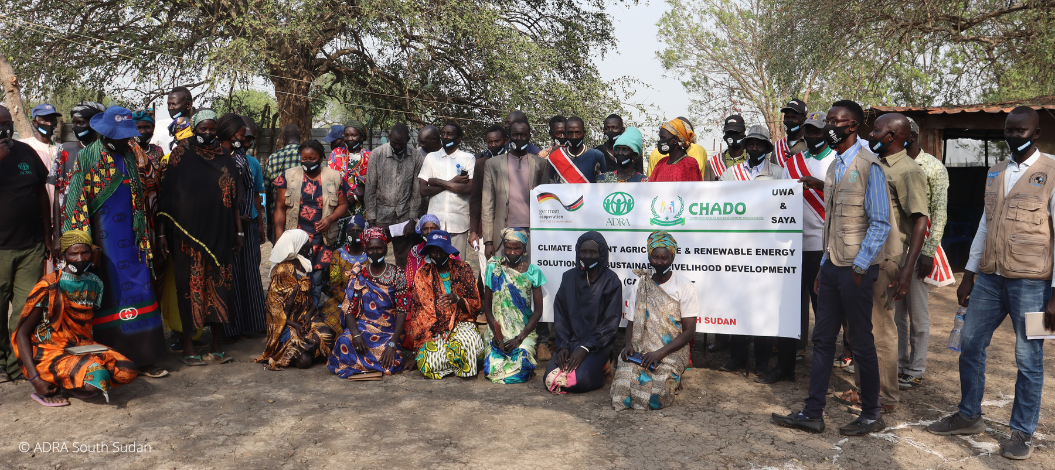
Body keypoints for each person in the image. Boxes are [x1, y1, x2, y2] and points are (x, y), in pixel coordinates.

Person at [926, 106, 1052, 460]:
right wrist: (969, 274)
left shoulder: (1053, 170)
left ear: (1036, 133)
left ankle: (1022, 432)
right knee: (969, 343)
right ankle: (969, 415)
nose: (1014, 135)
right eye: (1009, 129)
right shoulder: (996, 172)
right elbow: (985, 224)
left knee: (1030, 358)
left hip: (1036, 286)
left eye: (1022, 130)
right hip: (990, 281)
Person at [771, 100, 891, 436]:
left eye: (837, 122)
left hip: (857, 269)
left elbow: (881, 223)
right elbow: (831, 225)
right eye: (829, 122)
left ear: (853, 126)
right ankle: (813, 412)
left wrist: (860, 266)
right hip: (833, 265)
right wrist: (824, 265)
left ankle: (871, 413)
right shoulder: (835, 167)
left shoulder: (871, 165)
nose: (830, 128)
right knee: (821, 339)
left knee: (861, 341)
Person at [834, 112, 929, 415]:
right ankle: (865, 391)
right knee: (863, 330)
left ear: (892, 136)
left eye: (876, 131)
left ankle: (885, 396)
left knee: (881, 330)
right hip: (865, 257)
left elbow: (919, 221)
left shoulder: (907, 170)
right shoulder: (872, 164)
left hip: (887, 259)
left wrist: (906, 269)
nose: (870, 135)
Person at [64, 105, 168, 378]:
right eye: (121, 135)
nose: (126, 139)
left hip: (134, 240)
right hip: (104, 242)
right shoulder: (87, 157)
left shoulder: (131, 155)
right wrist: (82, 245)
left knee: (142, 290)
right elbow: (75, 202)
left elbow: (141, 199)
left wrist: (148, 234)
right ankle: (115, 359)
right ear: (106, 132)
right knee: (109, 296)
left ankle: (145, 358)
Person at [156, 109, 244, 365]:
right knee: (189, 290)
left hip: (221, 233)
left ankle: (216, 346)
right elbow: (168, 197)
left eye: (211, 129)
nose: (207, 134)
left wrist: (238, 231)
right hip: (187, 237)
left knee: (220, 289)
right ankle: (188, 347)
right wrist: (162, 233)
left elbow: (233, 197)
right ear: (194, 128)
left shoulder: (224, 155)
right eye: (202, 129)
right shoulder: (181, 155)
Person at [12, 230, 139, 406]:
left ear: (91, 253)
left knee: (128, 371)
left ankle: (72, 382)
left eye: (84, 252)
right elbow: (22, 334)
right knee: (98, 377)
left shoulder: (95, 283)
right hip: (51, 350)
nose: (80, 258)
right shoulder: (49, 286)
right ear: (64, 255)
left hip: (83, 347)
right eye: (73, 253)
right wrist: (35, 379)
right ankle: (50, 385)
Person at [759, 111, 835, 384]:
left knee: (822, 310)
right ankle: (785, 366)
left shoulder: (836, 160)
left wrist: (821, 185)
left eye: (817, 131)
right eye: (808, 131)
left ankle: (822, 371)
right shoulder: (793, 163)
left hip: (821, 245)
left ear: (826, 131)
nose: (812, 135)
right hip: (789, 245)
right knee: (787, 307)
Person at [718, 125, 783, 375]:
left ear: (767, 148)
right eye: (751, 144)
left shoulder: (778, 173)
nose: (754, 147)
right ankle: (738, 357)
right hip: (735, 247)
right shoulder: (731, 173)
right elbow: (719, 204)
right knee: (737, 303)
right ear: (745, 146)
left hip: (766, 249)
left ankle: (763, 360)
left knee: (763, 305)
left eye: (760, 144)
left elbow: (784, 207)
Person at [612, 231, 697, 409]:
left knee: (655, 397)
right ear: (649, 256)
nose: (659, 262)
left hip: (671, 351)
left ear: (672, 257)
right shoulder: (640, 284)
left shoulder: (684, 285)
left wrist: (659, 353)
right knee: (621, 393)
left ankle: (674, 379)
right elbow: (632, 321)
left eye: (664, 258)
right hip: (641, 348)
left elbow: (689, 331)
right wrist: (629, 345)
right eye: (655, 257)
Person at [895, 117, 950, 390]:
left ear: (911, 136)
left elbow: (939, 213)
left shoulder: (933, 167)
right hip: (894, 248)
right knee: (895, 314)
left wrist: (928, 251)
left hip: (919, 248)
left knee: (917, 314)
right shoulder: (889, 164)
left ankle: (915, 369)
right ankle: (899, 364)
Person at [0, 105, 52, 381]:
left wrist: (47, 235)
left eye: (7, 123)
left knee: (25, 308)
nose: (4, 129)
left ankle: (16, 363)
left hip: (31, 246)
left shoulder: (25, 152)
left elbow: (41, 193)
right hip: (0, 250)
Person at [274, 139, 350, 305]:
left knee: (316, 280)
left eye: (312, 159)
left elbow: (344, 204)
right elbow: (279, 208)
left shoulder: (334, 177)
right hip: (295, 237)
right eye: (304, 159)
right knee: (294, 277)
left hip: (321, 238)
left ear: (321, 158)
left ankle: (312, 314)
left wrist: (330, 219)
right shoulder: (288, 176)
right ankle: (295, 315)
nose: (307, 163)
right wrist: (280, 237)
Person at [545, 231, 621, 394]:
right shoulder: (568, 277)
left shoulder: (611, 280)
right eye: (583, 252)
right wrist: (563, 345)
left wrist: (586, 347)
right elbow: (560, 314)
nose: (587, 255)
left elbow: (610, 323)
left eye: (592, 252)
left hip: (597, 345)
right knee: (550, 379)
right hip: (570, 342)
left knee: (578, 381)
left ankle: (603, 366)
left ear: (601, 254)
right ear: (578, 252)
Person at [327, 227, 409, 377]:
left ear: (386, 248)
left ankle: (363, 364)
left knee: (391, 360)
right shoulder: (358, 273)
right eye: (371, 249)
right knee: (345, 341)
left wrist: (392, 343)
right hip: (364, 327)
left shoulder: (398, 275)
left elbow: (402, 312)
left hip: (388, 331)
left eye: (379, 248)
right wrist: (356, 334)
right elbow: (349, 310)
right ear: (365, 249)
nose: (375, 252)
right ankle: (368, 364)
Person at [407, 230, 484, 379]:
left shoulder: (463, 269)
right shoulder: (422, 274)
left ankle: (462, 362)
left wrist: (458, 299)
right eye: (433, 252)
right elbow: (418, 311)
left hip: (461, 323)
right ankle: (459, 361)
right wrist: (419, 348)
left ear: (447, 251)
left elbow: (475, 305)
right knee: (426, 363)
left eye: (440, 251)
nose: (436, 256)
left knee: (470, 342)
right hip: (434, 328)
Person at [216, 113, 267, 341]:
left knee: (250, 274)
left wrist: (259, 221)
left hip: (250, 225)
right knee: (230, 276)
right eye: (242, 137)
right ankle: (230, 328)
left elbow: (257, 194)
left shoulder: (251, 162)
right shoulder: (219, 158)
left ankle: (254, 322)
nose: (245, 142)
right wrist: (236, 221)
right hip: (229, 225)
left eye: (248, 139)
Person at [255, 229, 335, 370]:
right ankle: (300, 353)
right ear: (297, 247)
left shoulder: (306, 265)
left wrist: (309, 314)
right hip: (286, 322)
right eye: (306, 244)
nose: (310, 247)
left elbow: (314, 296)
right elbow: (273, 308)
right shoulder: (282, 271)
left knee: (327, 334)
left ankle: (306, 352)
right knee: (305, 360)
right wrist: (294, 324)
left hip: (306, 316)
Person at [481, 228, 546, 384]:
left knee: (522, 368)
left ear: (524, 248)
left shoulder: (532, 271)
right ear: (503, 247)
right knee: (491, 370)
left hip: (523, 333)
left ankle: (524, 352)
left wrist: (519, 338)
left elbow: (538, 312)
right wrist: (496, 332)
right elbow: (487, 306)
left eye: (517, 248)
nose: (512, 252)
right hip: (497, 332)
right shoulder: (493, 268)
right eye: (508, 247)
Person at [481, 121, 547, 258]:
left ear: (529, 136)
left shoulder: (541, 163)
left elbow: (545, 201)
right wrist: (488, 241)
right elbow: (487, 204)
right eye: (515, 134)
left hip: (532, 232)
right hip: (502, 233)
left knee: (528, 276)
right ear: (509, 137)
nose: (519, 138)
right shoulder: (492, 164)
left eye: (523, 135)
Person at [364, 123, 426, 269]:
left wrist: (412, 219)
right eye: (394, 143)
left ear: (408, 140)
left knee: (403, 258)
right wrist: (372, 220)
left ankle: (403, 288)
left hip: (404, 217)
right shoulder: (377, 154)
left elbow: (416, 190)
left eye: (401, 144)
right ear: (389, 138)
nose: (397, 147)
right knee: (375, 254)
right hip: (380, 215)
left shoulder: (416, 156)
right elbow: (370, 188)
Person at [418, 122, 475, 256]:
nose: (445, 137)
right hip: (434, 224)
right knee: (434, 262)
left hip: (459, 221)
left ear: (459, 139)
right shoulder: (431, 158)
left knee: (457, 264)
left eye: (449, 134)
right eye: (443, 134)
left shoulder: (468, 158)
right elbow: (423, 190)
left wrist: (437, 182)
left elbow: (469, 188)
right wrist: (453, 182)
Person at [53, 102, 107, 243]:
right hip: (70, 226)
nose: (76, 128)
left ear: (94, 124)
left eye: (80, 123)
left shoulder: (106, 152)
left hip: (102, 225)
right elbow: (58, 193)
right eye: (74, 123)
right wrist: (57, 234)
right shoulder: (65, 150)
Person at [320, 215, 369, 334]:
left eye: (359, 231)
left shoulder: (370, 254)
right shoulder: (338, 254)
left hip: (366, 301)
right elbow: (335, 284)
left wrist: (360, 303)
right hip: (341, 300)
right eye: (352, 231)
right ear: (347, 232)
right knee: (331, 324)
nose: (355, 234)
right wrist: (349, 302)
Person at [470, 124, 507, 251]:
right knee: (487, 268)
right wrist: (473, 231)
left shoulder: (513, 162)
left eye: (497, 141)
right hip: (485, 227)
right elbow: (475, 199)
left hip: (510, 225)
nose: (493, 145)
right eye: (489, 142)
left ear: (505, 141)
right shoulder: (481, 164)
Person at [264, 124, 303, 243]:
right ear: (300, 137)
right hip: (303, 215)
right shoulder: (307, 155)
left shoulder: (273, 158)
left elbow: (268, 190)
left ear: (284, 138)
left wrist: (269, 222)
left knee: (282, 255)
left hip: (278, 217)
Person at [21, 103, 63, 208]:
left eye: (52, 120)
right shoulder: (25, 146)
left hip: (59, 209)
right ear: (35, 123)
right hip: (35, 208)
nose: (49, 124)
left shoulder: (61, 149)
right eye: (44, 120)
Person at [329, 120, 371, 218]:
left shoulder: (369, 156)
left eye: (353, 135)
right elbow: (330, 179)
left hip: (363, 207)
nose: (350, 138)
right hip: (340, 205)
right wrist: (351, 192)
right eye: (346, 135)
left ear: (361, 137)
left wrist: (355, 196)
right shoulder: (336, 154)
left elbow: (374, 184)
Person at [546, 116, 606, 184]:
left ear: (584, 134)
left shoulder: (597, 156)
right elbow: (550, 185)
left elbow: (603, 184)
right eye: (570, 133)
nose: (574, 137)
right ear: (565, 134)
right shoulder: (555, 157)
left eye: (578, 132)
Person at [702, 115, 748, 181]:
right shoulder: (713, 164)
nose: (734, 136)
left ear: (744, 134)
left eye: (737, 132)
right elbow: (707, 189)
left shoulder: (752, 160)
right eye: (730, 133)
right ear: (725, 136)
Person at [773, 99, 809, 169]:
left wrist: (799, 162)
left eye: (794, 118)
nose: (789, 121)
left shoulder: (810, 143)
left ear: (804, 120)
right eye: (787, 117)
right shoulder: (778, 146)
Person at [162, 86, 195, 151]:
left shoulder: (196, 129)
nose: (170, 108)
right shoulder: (170, 128)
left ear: (188, 105)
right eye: (169, 104)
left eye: (173, 104)